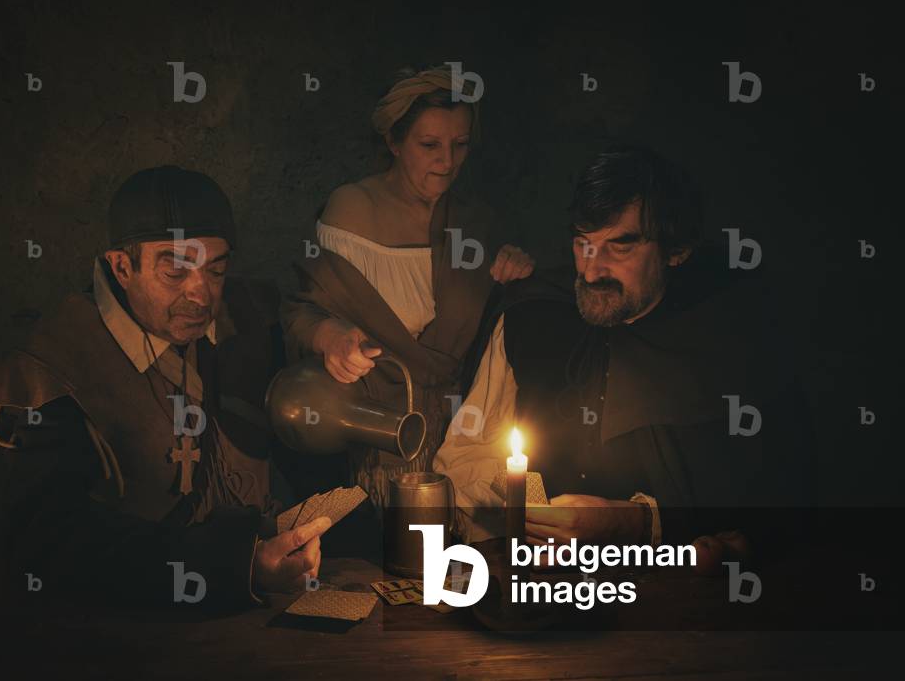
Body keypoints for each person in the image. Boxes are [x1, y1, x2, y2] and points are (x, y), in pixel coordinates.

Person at [0, 166, 330, 610]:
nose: (202, 295)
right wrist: (237, 564)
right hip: (115, 635)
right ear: (122, 267)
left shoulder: (250, 318)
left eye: (216, 270)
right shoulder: (52, 370)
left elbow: (303, 453)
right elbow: (45, 549)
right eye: (175, 272)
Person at [434, 145, 814, 569]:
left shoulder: (730, 338)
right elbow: (468, 456)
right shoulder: (534, 314)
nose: (592, 271)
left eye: (620, 246)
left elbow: (777, 502)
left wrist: (636, 524)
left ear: (676, 250)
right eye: (583, 243)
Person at [282, 63, 535, 512]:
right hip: (378, 431)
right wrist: (334, 340)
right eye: (430, 145)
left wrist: (514, 270)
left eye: (460, 145)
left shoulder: (473, 222)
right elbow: (305, 309)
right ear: (394, 142)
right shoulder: (353, 210)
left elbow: (497, 331)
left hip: (463, 434)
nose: (447, 161)